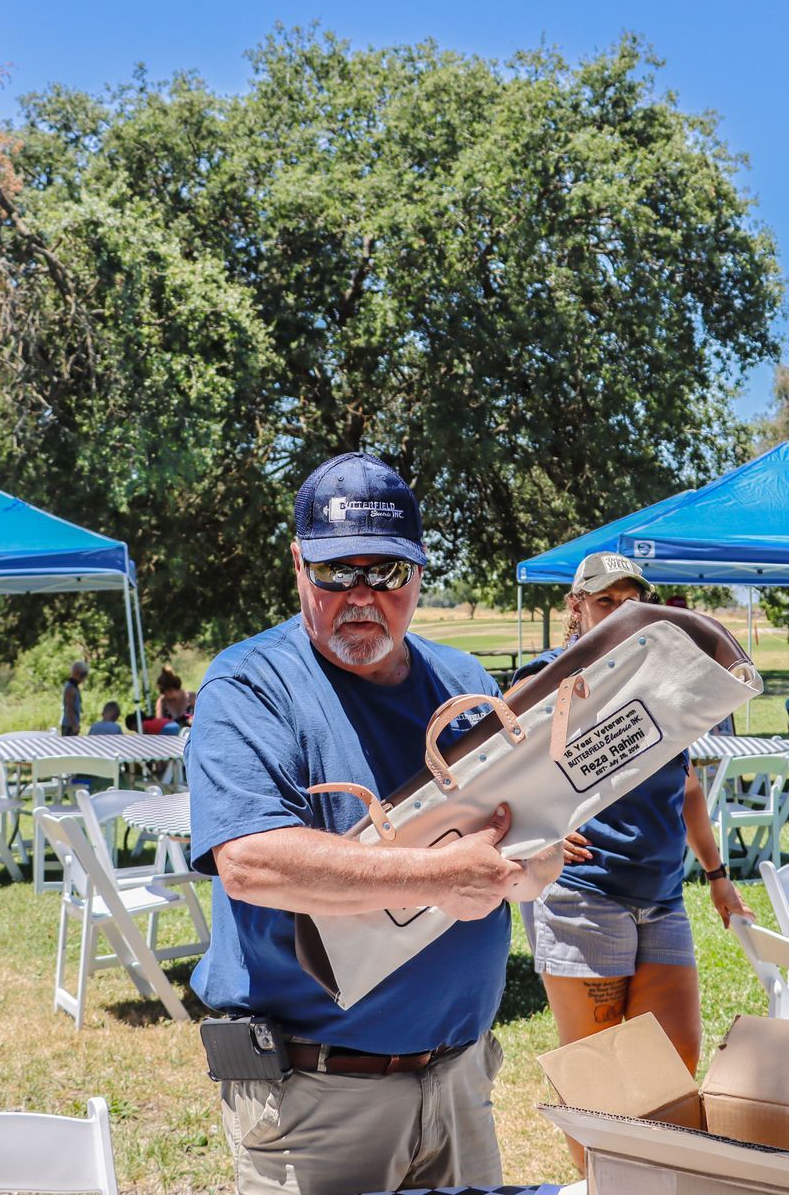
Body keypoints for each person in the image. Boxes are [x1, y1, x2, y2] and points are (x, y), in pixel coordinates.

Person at [187, 451, 563, 1195]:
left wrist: (532, 866)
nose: (361, 596)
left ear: (419, 572)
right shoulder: (250, 684)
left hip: (460, 1081)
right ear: (298, 565)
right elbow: (253, 863)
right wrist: (440, 877)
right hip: (314, 1100)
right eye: (336, 572)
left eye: (385, 573)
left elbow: (526, 834)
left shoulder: (463, 683)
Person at [517, 552, 749, 1110]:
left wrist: (717, 876)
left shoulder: (663, 681)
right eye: (606, 603)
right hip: (584, 895)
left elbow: (686, 784)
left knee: (674, 1067)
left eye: (632, 603)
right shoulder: (547, 679)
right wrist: (537, 833)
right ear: (575, 607)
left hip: (663, 896)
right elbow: (494, 776)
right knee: (600, 1086)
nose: (623, 615)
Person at [60, 660, 87, 736]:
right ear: (76, 673)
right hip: (69, 725)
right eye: (83, 674)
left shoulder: (74, 686)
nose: (84, 678)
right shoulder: (70, 688)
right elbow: (69, 709)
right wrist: (74, 725)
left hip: (71, 724)